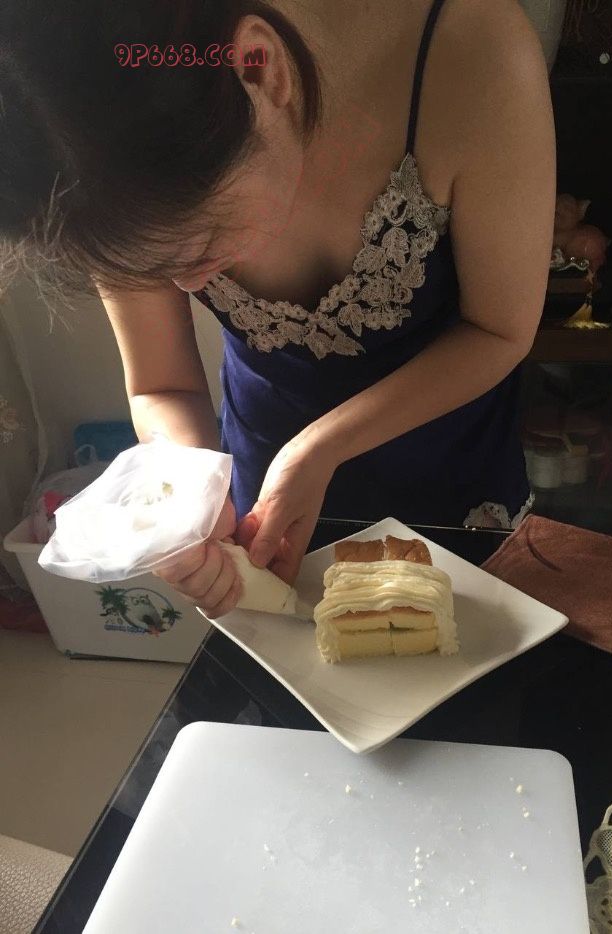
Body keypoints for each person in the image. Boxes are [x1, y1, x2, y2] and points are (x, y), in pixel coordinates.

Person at [0, 0, 555, 617]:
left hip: (453, 484)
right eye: (156, 269)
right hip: (267, 508)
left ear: (258, 69)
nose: (188, 284)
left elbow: (499, 330)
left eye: (205, 244)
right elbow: (161, 386)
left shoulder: (470, 49)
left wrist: (320, 447)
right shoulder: (89, 149)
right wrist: (191, 506)